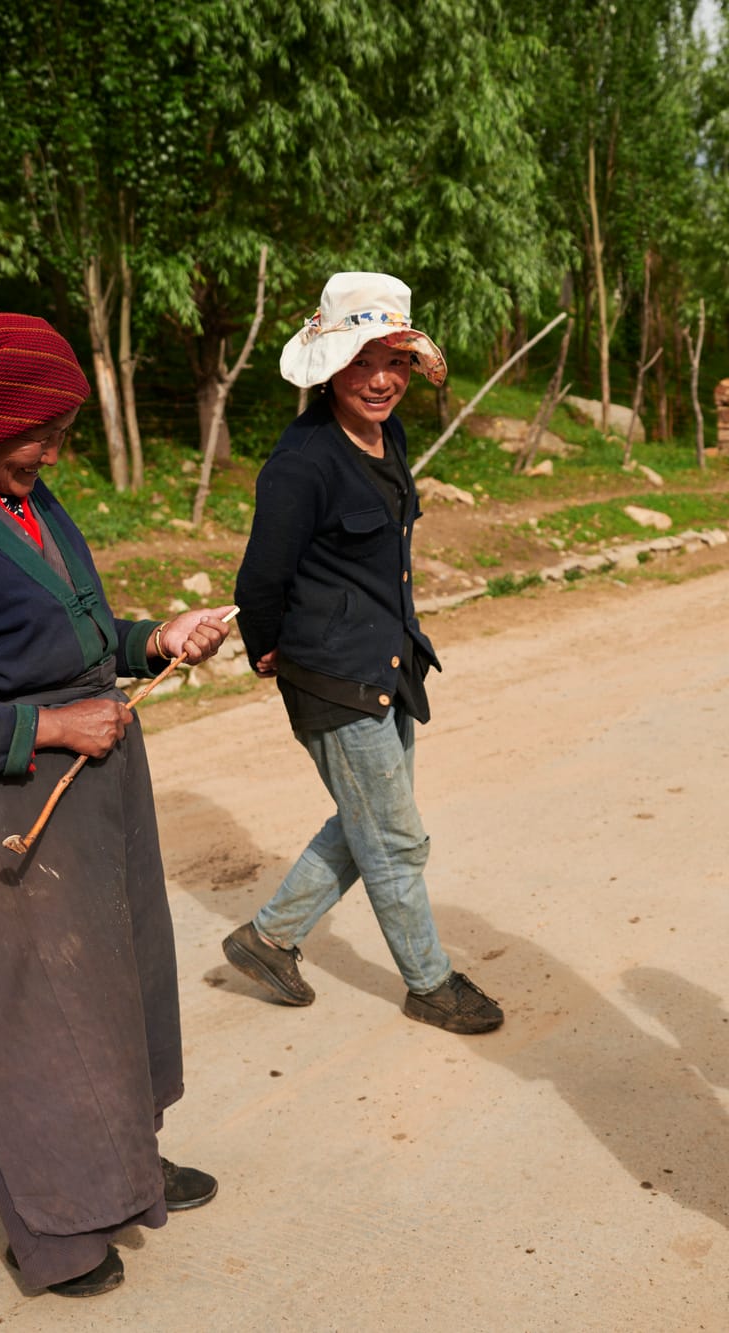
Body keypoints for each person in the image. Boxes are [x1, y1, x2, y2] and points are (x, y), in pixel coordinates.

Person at [0, 312, 233, 1298]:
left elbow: (73, 633)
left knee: (114, 998)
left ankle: (128, 1175)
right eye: (40, 430)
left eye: (59, 431)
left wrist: (155, 640)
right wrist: (47, 731)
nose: (52, 450)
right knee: (36, 1030)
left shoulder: (24, 496)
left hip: (90, 799)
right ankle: (61, 1234)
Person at [220, 272, 503, 1036]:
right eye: (361, 361)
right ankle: (430, 982)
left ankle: (268, 938)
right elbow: (260, 577)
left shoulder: (390, 435)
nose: (381, 380)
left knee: (370, 821)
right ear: (329, 366)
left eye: (396, 361)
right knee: (397, 837)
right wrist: (270, 649)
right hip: (331, 673)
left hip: (388, 660)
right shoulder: (301, 463)